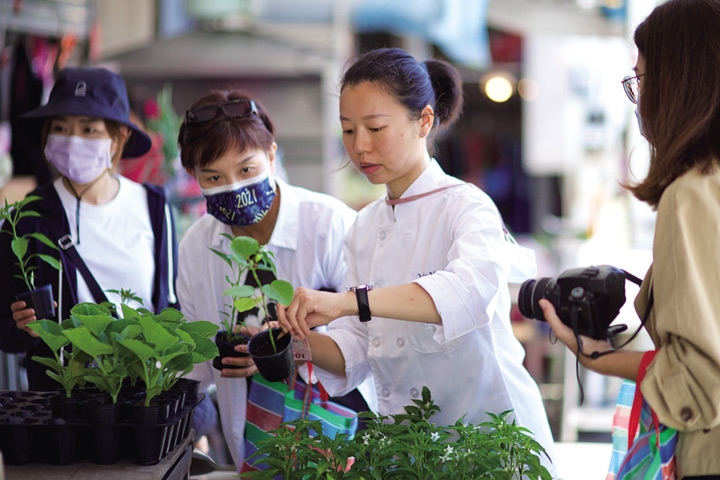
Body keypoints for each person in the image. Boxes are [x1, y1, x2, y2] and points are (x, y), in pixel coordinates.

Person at [277, 47, 557, 475]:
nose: (360, 146)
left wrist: (350, 301)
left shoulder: (467, 207)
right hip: (414, 452)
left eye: (375, 127)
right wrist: (289, 340)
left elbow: (467, 293)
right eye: (348, 130)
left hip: (494, 443)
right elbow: (355, 349)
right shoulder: (364, 226)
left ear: (424, 121)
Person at [540, 1, 720, 478]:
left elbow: (701, 383)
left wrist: (598, 358)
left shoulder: (694, 193)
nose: (638, 97)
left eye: (641, 79)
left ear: (680, 83)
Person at [175, 90, 363, 468]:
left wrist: (277, 354)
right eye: (214, 176)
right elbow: (196, 359)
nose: (234, 186)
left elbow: (367, 347)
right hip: (251, 438)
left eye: (246, 170)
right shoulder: (197, 244)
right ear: (194, 178)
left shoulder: (328, 224)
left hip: (337, 429)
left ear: (273, 156)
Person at [0, 67, 179, 391]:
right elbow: (4, 328)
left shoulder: (152, 207)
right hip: (63, 408)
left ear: (118, 139)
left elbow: (170, 307)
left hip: (145, 403)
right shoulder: (26, 218)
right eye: (60, 128)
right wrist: (21, 327)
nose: (72, 139)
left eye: (89, 129)